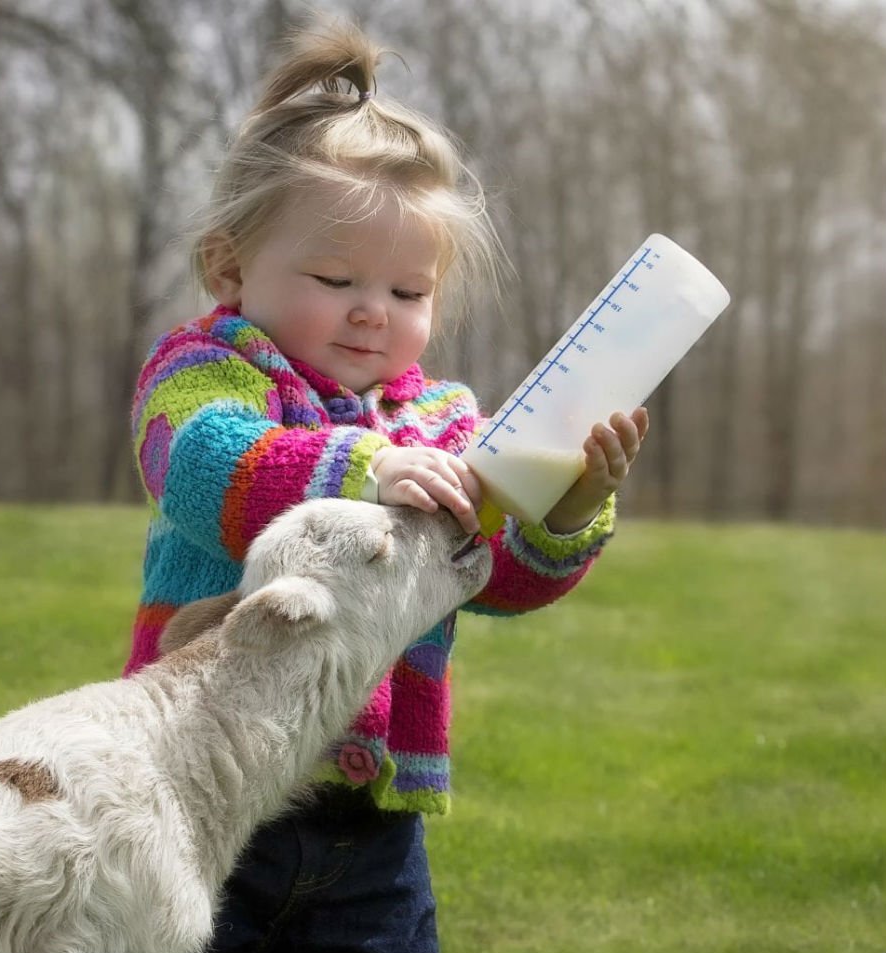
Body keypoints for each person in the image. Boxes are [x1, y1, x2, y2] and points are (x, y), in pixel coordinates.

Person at [126, 16, 649, 953]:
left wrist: (565, 510)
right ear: (229, 266)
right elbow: (205, 466)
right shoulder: (205, 369)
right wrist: (369, 469)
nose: (374, 311)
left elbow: (488, 572)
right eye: (335, 277)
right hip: (201, 788)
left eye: (410, 294)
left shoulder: (443, 420)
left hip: (372, 827)